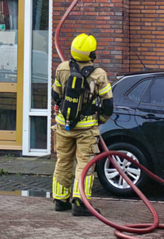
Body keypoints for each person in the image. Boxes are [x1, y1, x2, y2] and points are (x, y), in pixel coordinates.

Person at [51, 33, 113, 217]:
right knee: (85, 164)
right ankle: (80, 202)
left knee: (63, 161)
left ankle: (60, 200)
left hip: (63, 125)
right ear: (91, 54)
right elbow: (108, 105)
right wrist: (99, 120)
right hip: (86, 129)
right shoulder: (99, 74)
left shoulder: (62, 68)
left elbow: (55, 96)